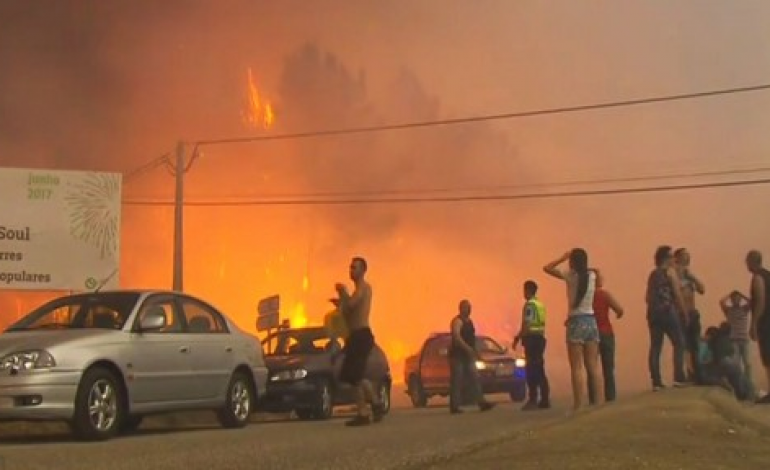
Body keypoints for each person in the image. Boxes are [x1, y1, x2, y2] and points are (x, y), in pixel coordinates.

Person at [543, 248, 602, 411]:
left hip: (576, 321)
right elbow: (600, 282)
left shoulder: (571, 276)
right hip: (591, 321)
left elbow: (547, 268)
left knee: (577, 366)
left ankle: (578, 404)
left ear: (572, 262)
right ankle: (597, 402)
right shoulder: (593, 276)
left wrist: (562, 257)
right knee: (593, 365)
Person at [335, 256, 385, 426]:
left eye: (354, 267)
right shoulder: (358, 290)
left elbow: (351, 305)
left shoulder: (363, 288)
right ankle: (377, 404)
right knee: (356, 376)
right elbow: (348, 313)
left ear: (363, 270)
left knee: (354, 376)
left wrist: (343, 294)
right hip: (355, 336)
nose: (351, 270)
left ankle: (363, 413)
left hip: (361, 335)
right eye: (350, 267)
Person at [646, 245, 688, 391]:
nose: (673, 260)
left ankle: (656, 382)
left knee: (656, 346)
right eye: (671, 257)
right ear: (665, 258)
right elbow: (677, 294)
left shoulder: (652, 275)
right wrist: (684, 313)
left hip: (652, 313)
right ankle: (679, 377)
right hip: (667, 311)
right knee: (679, 342)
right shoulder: (670, 273)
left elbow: (647, 297)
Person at [448, 299, 495, 414]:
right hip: (458, 355)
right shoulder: (457, 321)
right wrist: (467, 348)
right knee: (457, 380)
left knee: (475, 379)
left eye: (470, 307)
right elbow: (456, 337)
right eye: (466, 307)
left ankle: (481, 403)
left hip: (468, 355)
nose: (469, 310)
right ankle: (454, 406)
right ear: (461, 308)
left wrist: (476, 352)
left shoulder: (470, 322)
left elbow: (472, 339)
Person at [513, 280, 551, 410]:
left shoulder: (529, 305)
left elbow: (527, 324)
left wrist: (518, 337)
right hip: (540, 338)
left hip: (532, 341)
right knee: (540, 369)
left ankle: (533, 399)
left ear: (528, 290)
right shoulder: (540, 304)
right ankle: (545, 399)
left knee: (531, 370)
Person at [588, 269, 624, 403]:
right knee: (608, 368)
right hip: (606, 333)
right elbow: (620, 310)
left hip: (591, 334)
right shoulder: (604, 295)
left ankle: (593, 398)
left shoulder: (586, 297)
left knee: (591, 367)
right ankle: (610, 397)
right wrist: (617, 315)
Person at [674, 248, 706, 384]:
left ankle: (697, 375)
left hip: (693, 314)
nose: (688, 258)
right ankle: (686, 375)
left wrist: (691, 276)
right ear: (677, 258)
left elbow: (702, 289)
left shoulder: (689, 276)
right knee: (684, 346)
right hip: (680, 315)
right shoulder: (673, 276)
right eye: (685, 256)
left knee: (695, 345)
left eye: (688, 255)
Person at [720, 290, 755, 399]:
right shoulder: (729, 310)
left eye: (738, 298)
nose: (736, 300)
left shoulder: (744, 309)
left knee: (747, 364)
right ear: (732, 300)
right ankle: (740, 389)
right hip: (734, 340)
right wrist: (730, 294)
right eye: (734, 298)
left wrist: (742, 295)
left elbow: (752, 302)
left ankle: (749, 388)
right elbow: (721, 302)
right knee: (736, 365)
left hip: (744, 339)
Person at [746, 250, 770, 404]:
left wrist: (754, 323)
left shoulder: (758, 277)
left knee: (767, 356)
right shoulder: (768, 274)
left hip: (766, 321)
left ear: (752, 262)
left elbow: (761, 300)